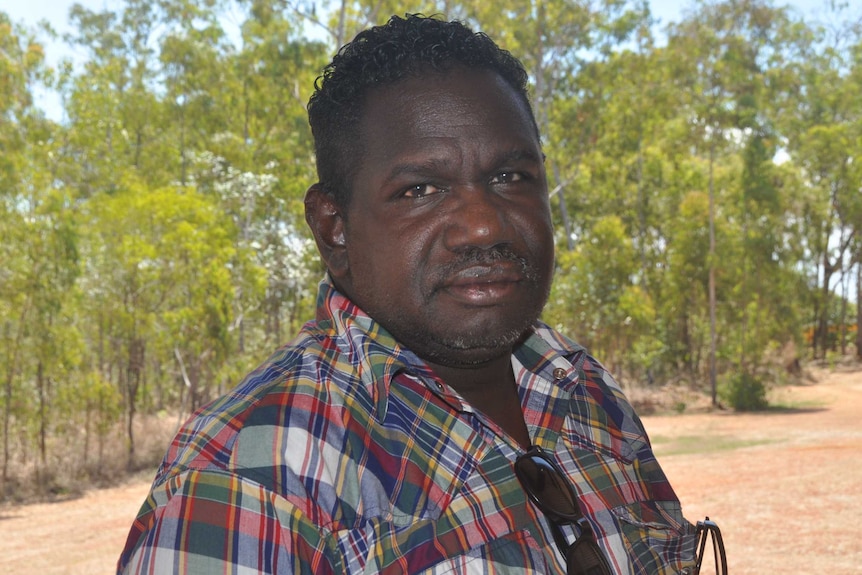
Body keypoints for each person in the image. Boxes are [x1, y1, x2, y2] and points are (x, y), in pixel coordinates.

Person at [118, 14, 701, 574]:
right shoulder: (250, 476)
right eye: (420, 189)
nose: (484, 226)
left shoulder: (585, 392)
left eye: (511, 177)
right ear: (333, 227)